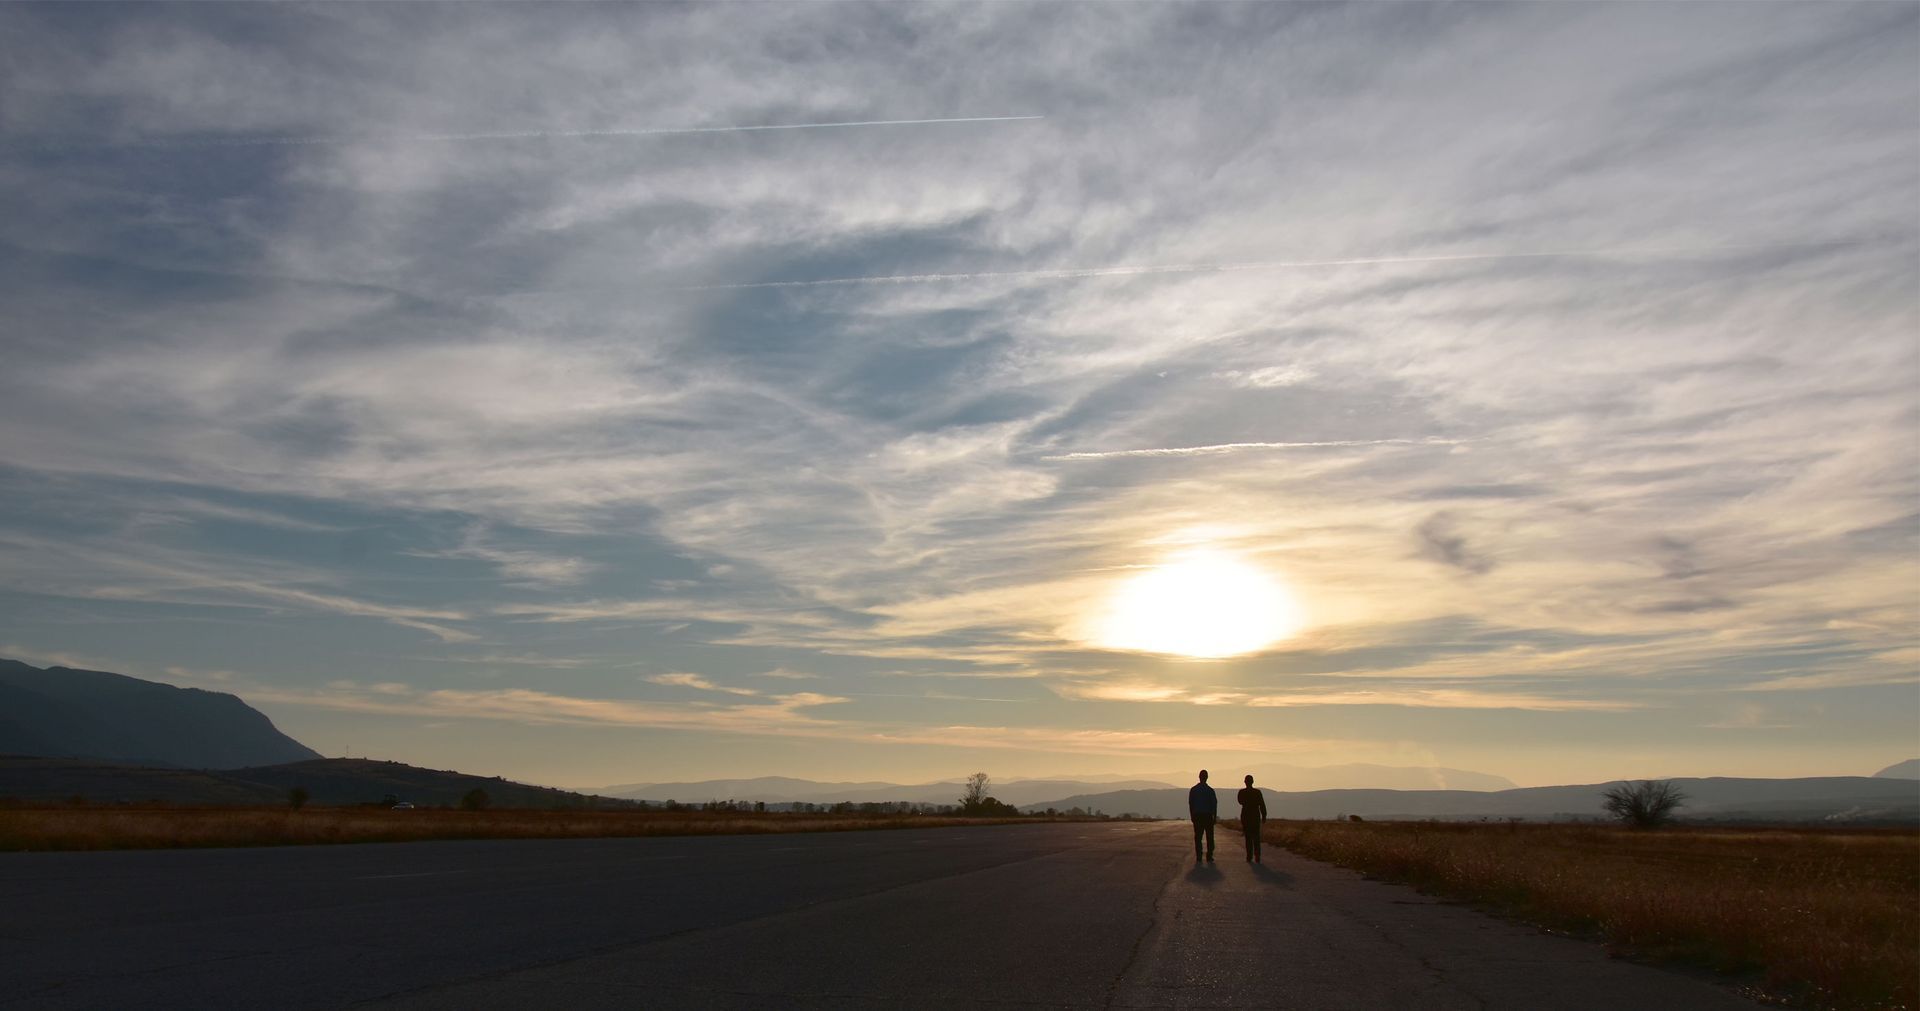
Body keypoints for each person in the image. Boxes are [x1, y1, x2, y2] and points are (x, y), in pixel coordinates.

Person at [1188, 769, 1217, 862]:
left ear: (1199, 777)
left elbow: (1191, 804)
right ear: (1207, 778)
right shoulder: (1210, 790)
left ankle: (1199, 856)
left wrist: (1192, 815)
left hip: (1197, 816)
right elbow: (1214, 804)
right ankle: (1209, 855)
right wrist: (1214, 816)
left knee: (1198, 837)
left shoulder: (1193, 790)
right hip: (1208, 816)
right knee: (1209, 837)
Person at [1238, 774, 1268, 862]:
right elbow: (1262, 804)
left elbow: (1240, 801)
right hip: (1255, 816)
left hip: (1246, 816)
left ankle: (1249, 856)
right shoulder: (1257, 792)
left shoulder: (1242, 792)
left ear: (1245, 782)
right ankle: (1257, 855)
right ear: (1252, 782)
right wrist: (1264, 815)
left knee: (1248, 837)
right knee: (1256, 837)